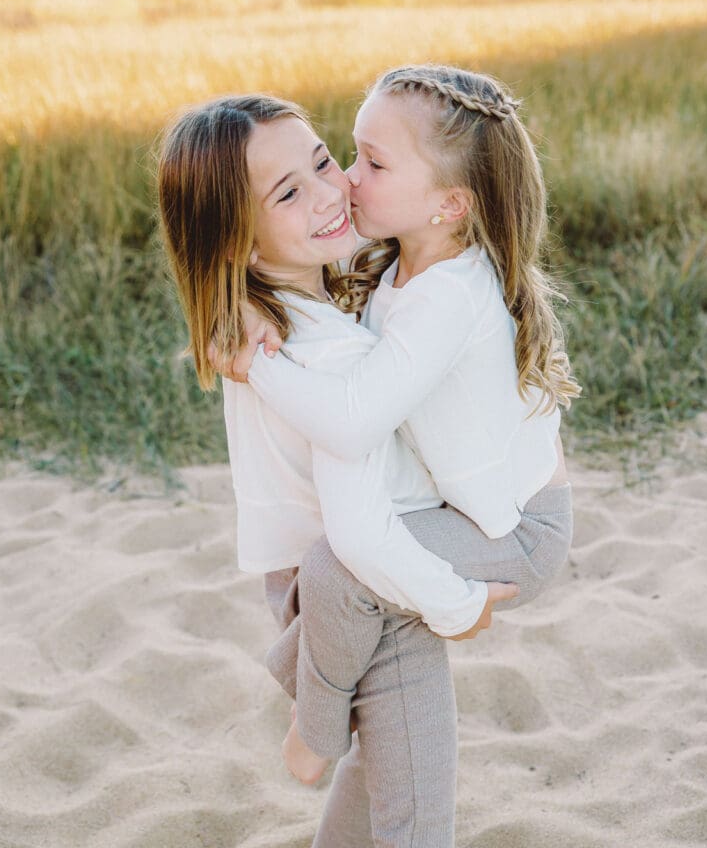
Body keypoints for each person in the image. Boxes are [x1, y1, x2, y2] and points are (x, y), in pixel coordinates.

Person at [209, 66, 581, 839]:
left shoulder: (447, 294)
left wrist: (261, 363)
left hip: (511, 530)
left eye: (368, 163)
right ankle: (327, 712)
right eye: (347, 153)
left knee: (347, 574)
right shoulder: (399, 265)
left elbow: (351, 417)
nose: (344, 180)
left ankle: (315, 719)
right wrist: (244, 296)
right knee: (388, 745)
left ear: (449, 203)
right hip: (465, 515)